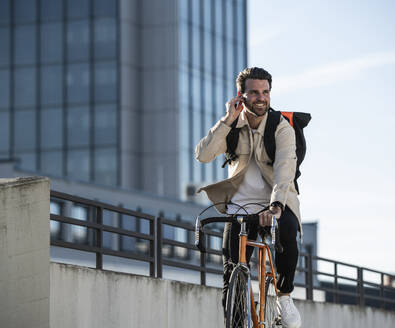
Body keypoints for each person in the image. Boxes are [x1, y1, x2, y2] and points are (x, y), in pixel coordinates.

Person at [195, 67, 302, 328]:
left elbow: (285, 168)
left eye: (265, 92)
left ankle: (284, 296)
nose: (261, 98)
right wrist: (227, 120)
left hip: (274, 205)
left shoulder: (281, 127)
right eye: (254, 92)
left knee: (287, 229)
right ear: (241, 95)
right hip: (238, 208)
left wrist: (276, 206)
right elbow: (203, 155)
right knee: (230, 274)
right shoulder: (231, 126)